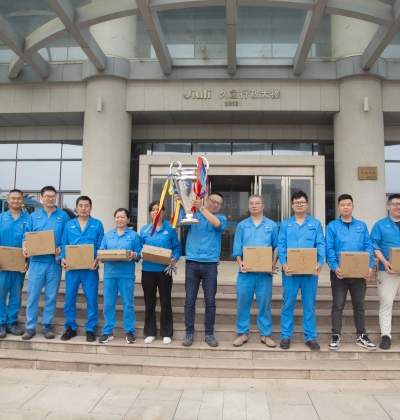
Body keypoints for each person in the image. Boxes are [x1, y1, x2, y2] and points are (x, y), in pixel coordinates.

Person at [325, 194, 376, 350]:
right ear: (338, 207)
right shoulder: (332, 226)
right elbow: (329, 248)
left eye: (348, 204)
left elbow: (368, 246)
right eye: (343, 205)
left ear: (352, 207)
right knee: (337, 305)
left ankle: (361, 335)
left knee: (359, 305)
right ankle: (336, 334)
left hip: (359, 274)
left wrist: (370, 266)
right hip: (339, 274)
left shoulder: (361, 226)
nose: (346, 207)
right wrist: (335, 267)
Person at [278, 191, 325, 351]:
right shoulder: (286, 224)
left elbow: (320, 244)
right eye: (296, 202)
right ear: (292, 205)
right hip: (290, 272)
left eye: (302, 202)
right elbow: (281, 245)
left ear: (307, 204)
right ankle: (285, 336)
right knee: (288, 303)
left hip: (309, 273)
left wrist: (320, 262)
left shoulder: (315, 224)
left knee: (309, 305)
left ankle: (310, 337)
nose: (299, 204)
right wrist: (284, 263)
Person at [22, 186, 70, 340]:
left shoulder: (63, 216)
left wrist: (61, 249)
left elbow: (66, 237)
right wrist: (25, 246)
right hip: (36, 262)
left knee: (51, 296)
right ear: (41, 198)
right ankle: (30, 327)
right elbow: (26, 236)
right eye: (47, 196)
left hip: (53, 263)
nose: (50, 198)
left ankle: (47, 325)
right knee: (32, 296)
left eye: (53, 196)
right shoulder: (33, 216)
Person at [180, 192, 227, 347]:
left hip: (210, 264)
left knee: (210, 301)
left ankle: (209, 333)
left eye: (218, 203)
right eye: (213, 201)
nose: (215, 204)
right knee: (190, 301)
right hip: (192, 262)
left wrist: (201, 208)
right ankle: (189, 332)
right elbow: (180, 222)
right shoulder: (194, 215)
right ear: (207, 200)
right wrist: (182, 203)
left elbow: (216, 224)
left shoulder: (220, 218)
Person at [231, 195, 278, 347]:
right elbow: (237, 248)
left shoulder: (271, 225)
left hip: (264, 273)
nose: (254, 205)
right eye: (251, 203)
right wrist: (240, 262)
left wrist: (272, 264)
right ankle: (242, 333)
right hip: (246, 273)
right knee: (243, 303)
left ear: (263, 205)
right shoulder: (242, 225)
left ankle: (265, 334)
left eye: (257, 203)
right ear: (248, 206)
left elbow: (276, 246)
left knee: (264, 303)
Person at [60, 196, 104, 342]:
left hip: (90, 268)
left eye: (86, 205)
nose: (83, 208)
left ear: (91, 208)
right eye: (80, 205)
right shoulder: (69, 224)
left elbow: (100, 244)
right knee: (69, 298)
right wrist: (63, 258)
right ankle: (70, 327)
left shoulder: (97, 224)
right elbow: (64, 243)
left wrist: (97, 258)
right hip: (72, 268)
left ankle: (91, 328)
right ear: (76, 207)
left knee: (91, 299)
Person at [140, 201, 182, 344]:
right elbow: (139, 247)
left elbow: (177, 247)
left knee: (166, 301)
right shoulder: (144, 230)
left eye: (158, 209)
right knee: (149, 302)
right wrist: (140, 253)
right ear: (150, 213)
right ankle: (150, 332)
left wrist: (174, 258)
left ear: (163, 212)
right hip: (148, 270)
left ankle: (166, 333)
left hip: (164, 270)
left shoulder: (169, 229)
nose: (155, 212)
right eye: (153, 209)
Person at [98, 208, 141, 344]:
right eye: (117, 217)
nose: (120, 220)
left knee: (128, 303)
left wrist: (134, 255)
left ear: (128, 219)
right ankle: (107, 331)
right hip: (110, 274)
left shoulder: (134, 235)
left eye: (123, 217)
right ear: (114, 219)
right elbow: (101, 252)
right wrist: (101, 257)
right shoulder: (108, 235)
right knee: (108, 303)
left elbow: (139, 253)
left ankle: (129, 331)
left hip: (126, 274)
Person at [371, 193, 400, 350]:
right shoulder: (380, 225)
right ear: (388, 206)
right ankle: (386, 336)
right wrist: (384, 261)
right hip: (387, 270)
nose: (398, 207)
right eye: (394, 204)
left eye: (399, 204)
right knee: (386, 302)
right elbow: (374, 245)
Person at [0, 189, 29, 338]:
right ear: (8, 200)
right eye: (13, 198)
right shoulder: (1, 218)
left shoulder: (28, 219)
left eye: (19, 198)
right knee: (1, 292)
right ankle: (0, 323)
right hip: (2, 265)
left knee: (16, 295)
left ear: (22, 200)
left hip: (19, 264)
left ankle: (11, 323)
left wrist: (27, 261)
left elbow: (31, 242)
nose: (16, 201)